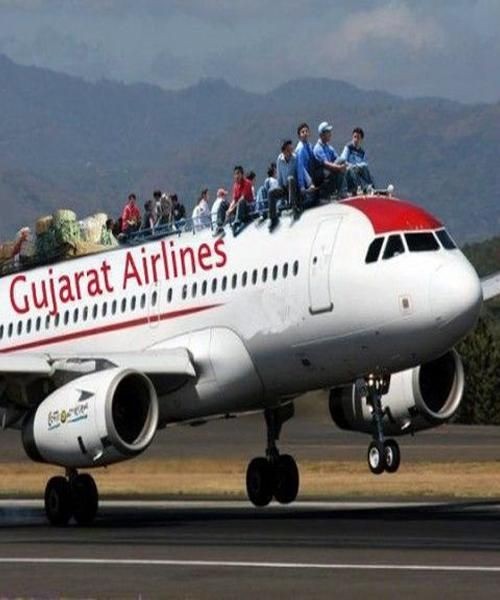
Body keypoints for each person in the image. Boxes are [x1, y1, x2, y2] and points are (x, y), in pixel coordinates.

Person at [268, 139, 300, 232]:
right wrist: (280, 194)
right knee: (271, 192)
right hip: (285, 187)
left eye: (291, 149)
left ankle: (293, 207)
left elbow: (300, 173)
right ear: (283, 151)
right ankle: (273, 218)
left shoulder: (295, 158)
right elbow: (279, 177)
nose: (290, 152)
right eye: (288, 150)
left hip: (294, 186)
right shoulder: (279, 159)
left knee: (290, 178)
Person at [313, 121, 348, 199]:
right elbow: (326, 164)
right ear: (321, 135)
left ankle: (350, 190)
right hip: (322, 176)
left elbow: (337, 158)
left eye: (330, 132)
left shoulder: (328, 147)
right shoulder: (317, 148)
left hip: (330, 172)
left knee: (344, 163)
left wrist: (346, 166)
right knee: (340, 165)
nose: (330, 134)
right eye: (327, 132)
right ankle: (342, 192)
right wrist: (339, 167)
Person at [340, 127, 375, 193]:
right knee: (352, 171)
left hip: (358, 170)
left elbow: (365, 164)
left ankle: (371, 188)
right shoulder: (348, 147)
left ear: (361, 139)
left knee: (365, 169)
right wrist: (352, 166)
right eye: (354, 137)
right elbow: (343, 160)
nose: (356, 139)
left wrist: (357, 166)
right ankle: (359, 189)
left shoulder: (362, 152)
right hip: (349, 171)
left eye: (358, 137)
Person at [227, 165, 254, 236]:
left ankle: (237, 223)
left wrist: (232, 209)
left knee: (241, 202)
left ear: (242, 174)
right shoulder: (235, 185)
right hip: (239, 209)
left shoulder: (247, 183)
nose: (236, 176)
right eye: (235, 174)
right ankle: (219, 225)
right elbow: (234, 200)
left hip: (247, 209)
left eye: (238, 173)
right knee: (223, 205)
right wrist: (229, 209)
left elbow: (242, 198)